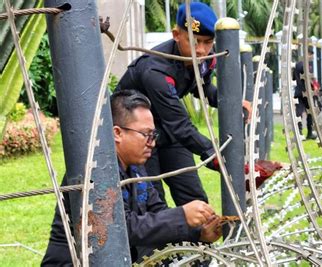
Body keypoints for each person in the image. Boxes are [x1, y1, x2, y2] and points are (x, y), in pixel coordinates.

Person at [41, 90, 222, 265]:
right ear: (117, 133)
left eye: (153, 135)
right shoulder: (95, 169)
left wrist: (198, 234)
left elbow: (156, 211)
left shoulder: (136, 167)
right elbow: (117, 228)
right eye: (146, 135)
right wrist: (181, 216)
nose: (152, 142)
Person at [116, 2, 251, 207]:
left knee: (194, 198)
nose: (201, 50)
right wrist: (217, 157)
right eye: (194, 41)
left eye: (208, 42)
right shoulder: (156, 71)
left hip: (169, 133)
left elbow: (202, 87)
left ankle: (198, 240)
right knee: (151, 205)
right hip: (137, 136)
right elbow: (180, 125)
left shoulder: (203, 59)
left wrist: (230, 103)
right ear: (176, 35)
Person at [293, 47, 319, 140]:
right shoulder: (306, 65)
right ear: (308, 54)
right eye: (311, 55)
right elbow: (308, 77)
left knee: (299, 112)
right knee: (310, 112)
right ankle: (309, 132)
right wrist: (315, 86)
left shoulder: (297, 64)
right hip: (307, 92)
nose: (312, 57)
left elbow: (293, 78)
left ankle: (299, 132)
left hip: (298, 91)